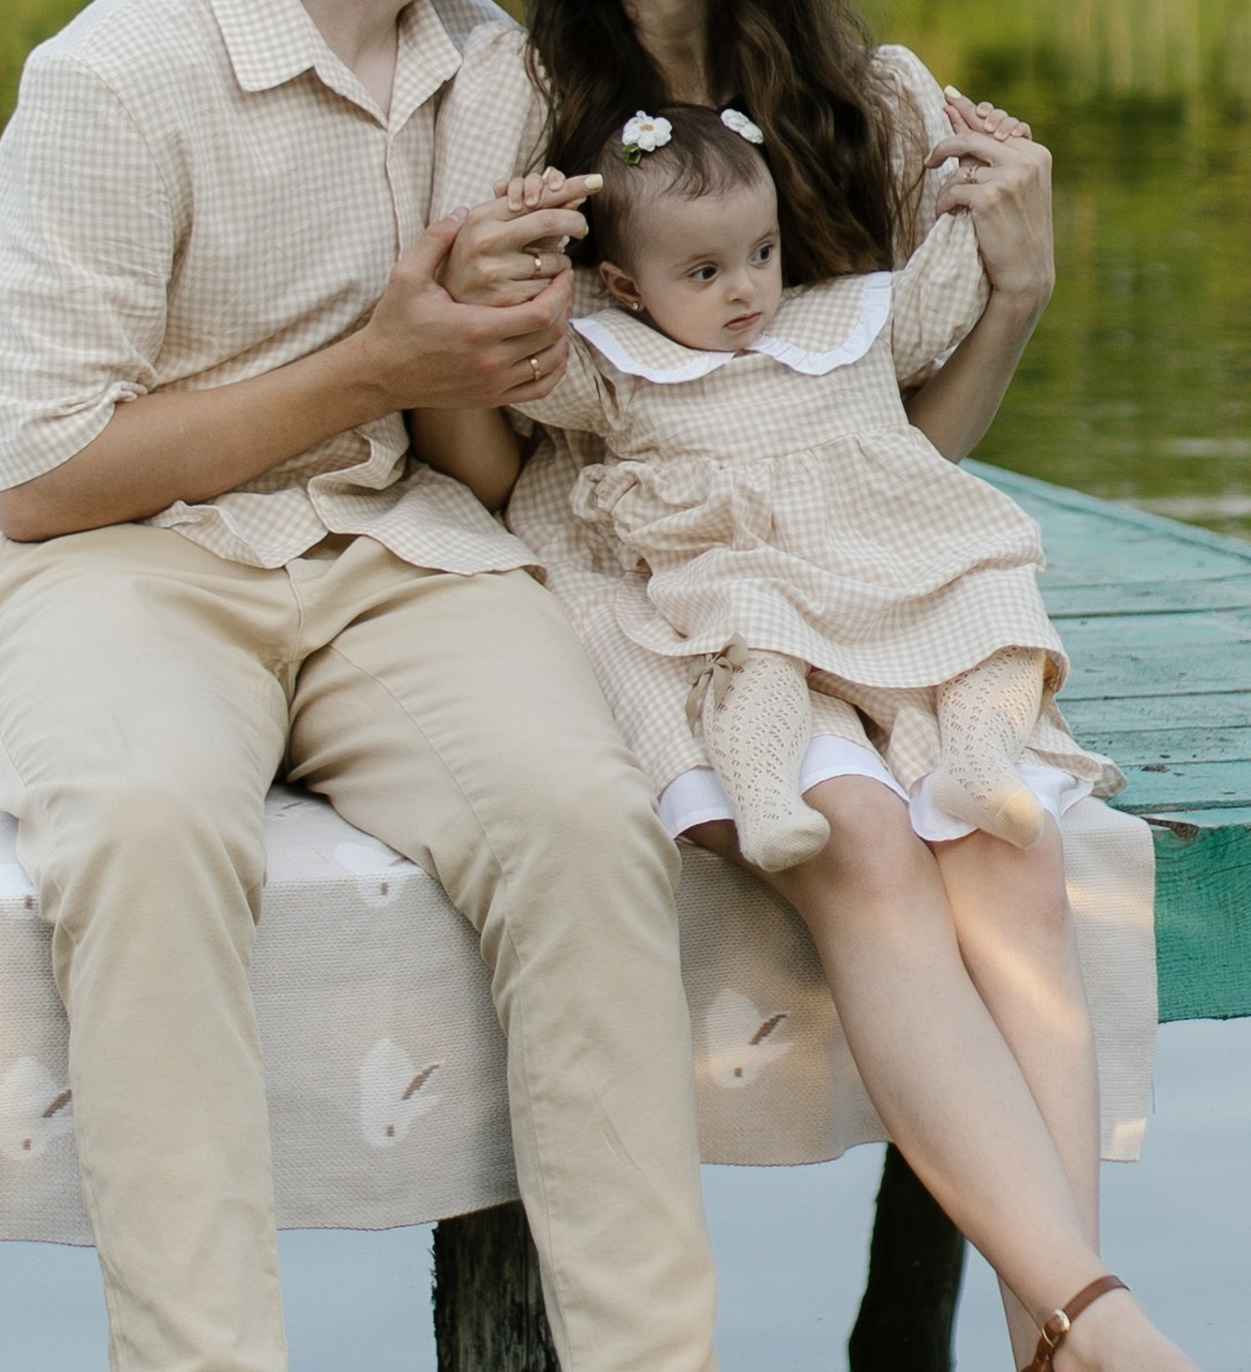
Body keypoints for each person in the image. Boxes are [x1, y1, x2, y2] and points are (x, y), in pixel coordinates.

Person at [0, 0, 795, 1372]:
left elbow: (471, 449)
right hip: (123, 564)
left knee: (582, 817)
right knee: (150, 830)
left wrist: (490, 372)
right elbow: (45, 474)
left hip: (395, 548)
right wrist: (385, 359)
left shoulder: (489, 74)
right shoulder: (115, 77)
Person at [502, 0, 1251, 1372]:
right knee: (864, 842)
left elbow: (892, 457)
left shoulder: (871, 102)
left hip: (858, 564)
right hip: (649, 575)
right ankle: (1114, 1352)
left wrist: (1016, 289)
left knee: (1007, 853)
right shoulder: (520, 99)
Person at [418, 103, 1121, 870]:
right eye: (705, 273)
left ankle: (980, 760)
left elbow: (941, 300)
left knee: (999, 611)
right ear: (625, 285)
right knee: (755, 654)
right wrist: (530, 258)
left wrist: (978, 181)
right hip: (753, 569)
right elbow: (522, 370)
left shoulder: (844, 320)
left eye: (762, 252)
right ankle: (765, 798)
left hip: (889, 554)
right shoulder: (619, 365)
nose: (745, 289)